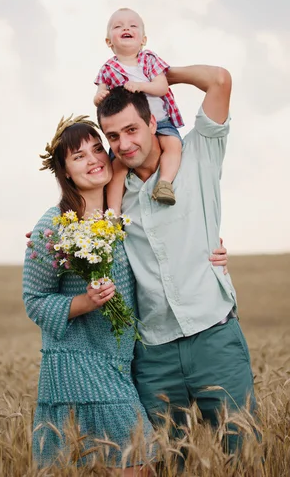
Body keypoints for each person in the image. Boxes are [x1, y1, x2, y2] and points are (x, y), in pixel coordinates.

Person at [22, 115, 229, 472]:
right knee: (141, 464)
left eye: (97, 148)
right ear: (65, 172)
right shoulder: (53, 225)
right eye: (79, 156)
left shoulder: (121, 216)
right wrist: (85, 302)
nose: (93, 159)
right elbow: (34, 301)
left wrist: (212, 251)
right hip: (79, 363)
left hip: (122, 362)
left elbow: (162, 250)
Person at [96, 66, 256, 454]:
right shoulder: (111, 196)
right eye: (113, 136)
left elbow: (219, 80)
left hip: (214, 336)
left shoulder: (198, 155)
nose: (124, 144)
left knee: (245, 454)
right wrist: (50, 239)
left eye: (132, 129)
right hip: (154, 354)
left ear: (154, 122)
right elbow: (73, 219)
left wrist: (164, 73)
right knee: (170, 462)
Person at [94, 8, 183, 210]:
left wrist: (141, 86)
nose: (126, 28)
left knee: (173, 146)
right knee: (117, 167)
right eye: (118, 26)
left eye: (133, 25)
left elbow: (162, 87)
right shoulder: (108, 68)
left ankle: (165, 183)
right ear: (109, 42)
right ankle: (113, 213)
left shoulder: (150, 60)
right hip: (130, 125)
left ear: (143, 39)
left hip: (160, 121)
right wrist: (99, 96)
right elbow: (100, 92)